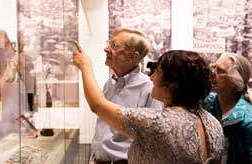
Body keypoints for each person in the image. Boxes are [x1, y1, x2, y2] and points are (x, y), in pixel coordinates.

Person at [73, 47, 224, 163]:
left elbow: (98, 105)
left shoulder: (156, 122)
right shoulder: (213, 123)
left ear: (172, 84)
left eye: (157, 72)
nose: (151, 77)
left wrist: (85, 66)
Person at [89, 28, 162, 164]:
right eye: (108, 43)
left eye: (114, 46)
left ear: (132, 57)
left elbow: (152, 135)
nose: (106, 49)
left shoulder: (149, 89)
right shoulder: (109, 84)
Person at [200, 53, 252, 164]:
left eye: (220, 71)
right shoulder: (204, 102)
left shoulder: (248, 120)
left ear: (236, 81)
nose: (212, 73)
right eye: (213, 67)